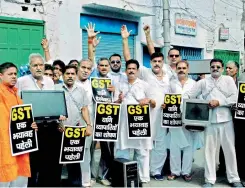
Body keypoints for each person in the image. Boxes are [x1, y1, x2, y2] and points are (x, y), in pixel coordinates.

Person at [122, 24, 170, 181]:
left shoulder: (169, 72)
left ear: (163, 62)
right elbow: (130, 60)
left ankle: (155, 170)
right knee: (144, 144)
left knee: (160, 144)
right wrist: (127, 40)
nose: (156, 63)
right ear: (150, 62)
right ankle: (139, 173)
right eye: (154, 61)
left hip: (164, 113)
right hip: (147, 114)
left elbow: (154, 53)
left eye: (159, 61)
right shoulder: (145, 72)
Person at [187, 58, 242, 187]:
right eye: (213, 66)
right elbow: (190, 95)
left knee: (229, 150)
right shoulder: (203, 82)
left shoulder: (228, 80)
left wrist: (219, 102)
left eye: (218, 66)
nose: (215, 68)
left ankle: (234, 179)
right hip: (210, 121)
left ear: (222, 69)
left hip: (226, 120)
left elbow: (234, 98)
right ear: (209, 68)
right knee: (209, 151)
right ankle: (209, 180)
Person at [16, 53, 66, 187]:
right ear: (30, 67)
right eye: (35, 65)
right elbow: (16, 105)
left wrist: (59, 118)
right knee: (33, 164)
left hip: (49, 127)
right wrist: (26, 124)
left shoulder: (49, 81)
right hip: (32, 128)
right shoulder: (21, 81)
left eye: (41, 65)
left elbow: (51, 104)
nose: (38, 68)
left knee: (50, 162)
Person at [114, 59, 156, 183]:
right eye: (129, 68)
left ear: (137, 71)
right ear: (125, 71)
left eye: (133, 69)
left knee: (142, 151)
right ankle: (123, 178)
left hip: (140, 123)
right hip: (124, 124)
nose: (131, 71)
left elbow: (154, 103)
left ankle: (143, 178)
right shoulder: (119, 84)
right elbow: (114, 103)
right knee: (122, 150)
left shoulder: (145, 85)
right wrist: (118, 100)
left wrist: (147, 100)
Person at [0, 62, 37, 188]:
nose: (14, 76)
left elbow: (21, 121)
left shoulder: (17, 95)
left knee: (20, 178)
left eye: (15, 74)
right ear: (1, 75)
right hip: (4, 146)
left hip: (20, 147)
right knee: (5, 178)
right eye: (10, 74)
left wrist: (30, 127)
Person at [55, 65, 93, 188]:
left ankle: (76, 185)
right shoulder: (56, 89)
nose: (70, 76)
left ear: (76, 75)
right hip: (59, 130)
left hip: (74, 131)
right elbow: (51, 109)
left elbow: (84, 109)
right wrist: (57, 122)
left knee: (74, 162)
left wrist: (88, 125)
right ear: (62, 75)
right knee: (57, 163)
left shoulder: (81, 90)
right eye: (67, 74)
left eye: (72, 74)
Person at [164, 60, 196, 182]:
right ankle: (175, 171)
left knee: (188, 146)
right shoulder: (171, 84)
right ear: (176, 69)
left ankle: (186, 172)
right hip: (173, 118)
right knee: (174, 145)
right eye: (179, 68)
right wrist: (164, 106)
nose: (181, 70)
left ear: (188, 69)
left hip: (189, 119)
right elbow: (166, 98)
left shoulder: (194, 83)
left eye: (184, 68)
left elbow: (198, 99)